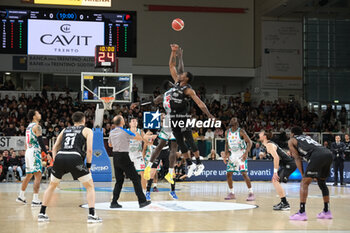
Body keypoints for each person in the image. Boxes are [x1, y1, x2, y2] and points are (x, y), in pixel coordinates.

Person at [38, 111, 102, 223]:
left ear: (73, 121)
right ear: (84, 120)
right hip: (75, 158)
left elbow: (55, 147)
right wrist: (88, 166)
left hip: (60, 157)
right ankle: (92, 215)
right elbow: (90, 150)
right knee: (90, 186)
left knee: (52, 186)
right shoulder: (87, 130)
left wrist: (54, 161)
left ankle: (42, 213)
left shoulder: (65, 130)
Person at [169, 44, 214, 177]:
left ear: (186, 78)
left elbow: (199, 103)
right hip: (173, 117)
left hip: (183, 117)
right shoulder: (177, 81)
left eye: (183, 74)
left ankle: (199, 163)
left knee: (189, 139)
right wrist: (173, 52)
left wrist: (209, 114)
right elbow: (172, 66)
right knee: (179, 141)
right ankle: (190, 163)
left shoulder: (188, 90)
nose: (180, 73)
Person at [288, 126, 333, 221]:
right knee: (322, 183)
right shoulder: (307, 137)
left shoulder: (292, 140)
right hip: (328, 153)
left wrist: (302, 174)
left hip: (317, 155)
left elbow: (297, 158)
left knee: (304, 183)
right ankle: (327, 211)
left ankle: (301, 212)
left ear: (292, 134)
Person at [109, 115, 151, 209]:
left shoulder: (111, 132)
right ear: (122, 122)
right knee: (136, 179)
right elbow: (138, 138)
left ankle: (114, 202)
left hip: (115, 156)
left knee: (119, 181)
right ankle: (142, 201)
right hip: (124, 156)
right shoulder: (125, 131)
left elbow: (110, 144)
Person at [17, 110, 49, 207]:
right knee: (38, 175)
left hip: (28, 151)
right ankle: (35, 200)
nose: (40, 114)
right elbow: (40, 141)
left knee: (29, 175)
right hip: (34, 151)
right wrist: (46, 153)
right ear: (34, 116)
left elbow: (27, 142)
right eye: (38, 113)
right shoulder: (37, 126)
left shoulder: (28, 127)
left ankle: (21, 196)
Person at [259, 130, 296, 210]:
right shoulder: (267, 145)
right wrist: (263, 154)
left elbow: (276, 158)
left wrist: (275, 172)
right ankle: (283, 202)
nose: (259, 133)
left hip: (290, 164)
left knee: (275, 180)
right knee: (275, 181)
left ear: (264, 136)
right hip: (286, 164)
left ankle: (285, 204)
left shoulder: (269, 145)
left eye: (261, 133)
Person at [223, 117, 255, 201]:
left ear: (237, 124)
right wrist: (226, 153)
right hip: (232, 155)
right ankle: (232, 193)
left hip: (241, 154)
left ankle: (251, 193)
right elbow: (226, 143)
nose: (232, 121)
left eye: (234, 121)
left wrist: (246, 153)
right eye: (231, 121)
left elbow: (250, 142)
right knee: (228, 174)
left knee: (244, 173)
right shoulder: (227, 132)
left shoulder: (241, 131)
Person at [128, 117, 148, 192]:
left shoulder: (140, 131)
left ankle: (144, 191)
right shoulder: (126, 131)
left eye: (135, 121)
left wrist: (144, 151)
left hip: (138, 155)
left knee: (143, 172)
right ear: (129, 124)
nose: (134, 122)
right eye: (132, 121)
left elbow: (145, 141)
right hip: (128, 155)